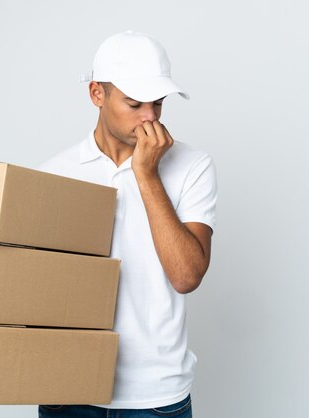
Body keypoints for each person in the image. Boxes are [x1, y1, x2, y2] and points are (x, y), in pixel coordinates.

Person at [37, 30, 217, 418]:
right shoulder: (53, 175)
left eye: (158, 103)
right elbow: (31, 288)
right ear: (96, 94)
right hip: (67, 390)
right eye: (135, 103)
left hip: (154, 397)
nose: (150, 117)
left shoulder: (191, 166)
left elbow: (186, 276)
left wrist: (147, 174)